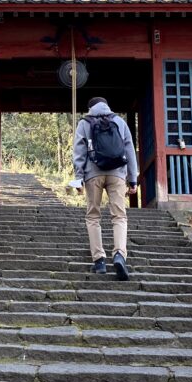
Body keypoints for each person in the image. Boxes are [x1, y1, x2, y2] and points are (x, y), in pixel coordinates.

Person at [72, 97, 139, 279]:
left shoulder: (85, 123)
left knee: (93, 216)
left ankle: (99, 260)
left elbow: (79, 151)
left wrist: (78, 178)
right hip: (117, 174)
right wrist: (133, 179)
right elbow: (130, 150)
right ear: (107, 106)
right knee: (119, 215)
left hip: (93, 173)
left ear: (90, 108)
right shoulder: (119, 121)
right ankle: (119, 255)